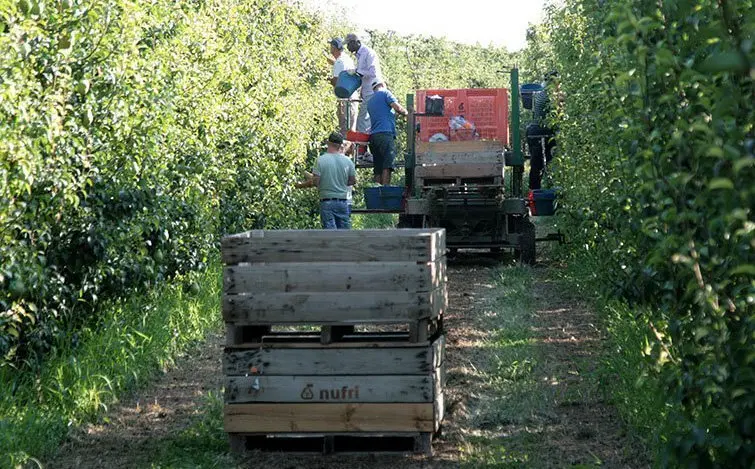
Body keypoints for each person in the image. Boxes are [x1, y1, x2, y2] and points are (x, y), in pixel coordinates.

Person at [296, 132, 356, 229]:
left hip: (327, 201)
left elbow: (315, 182)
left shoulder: (321, 160)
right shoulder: (348, 161)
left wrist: (299, 185)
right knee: (344, 235)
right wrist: (340, 182)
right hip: (343, 202)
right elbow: (352, 181)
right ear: (340, 145)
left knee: (330, 235)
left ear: (328, 143)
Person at [367, 81, 408, 185]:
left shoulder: (370, 101)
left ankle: (376, 192)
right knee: (387, 166)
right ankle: (385, 192)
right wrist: (408, 113)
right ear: (383, 85)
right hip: (385, 135)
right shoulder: (385, 93)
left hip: (373, 137)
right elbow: (398, 108)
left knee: (378, 168)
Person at [526, 71, 559, 190]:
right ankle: (553, 189)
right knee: (552, 161)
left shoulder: (539, 94)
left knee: (535, 164)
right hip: (546, 131)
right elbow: (556, 115)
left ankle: (534, 191)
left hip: (534, 130)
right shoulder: (551, 95)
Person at [345, 33, 383, 133]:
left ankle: (363, 146)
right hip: (366, 91)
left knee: (363, 120)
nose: (347, 47)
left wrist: (357, 71)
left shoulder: (368, 53)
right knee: (365, 120)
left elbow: (373, 72)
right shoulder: (359, 55)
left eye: (348, 44)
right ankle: (364, 145)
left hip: (373, 90)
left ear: (355, 42)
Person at [327, 38, 358, 136]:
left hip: (344, 99)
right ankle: (352, 150)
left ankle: (344, 150)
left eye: (331, 46)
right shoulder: (347, 59)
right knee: (352, 128)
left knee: (344, 128)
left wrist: (326, 78)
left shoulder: (339, 62)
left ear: (334, 47)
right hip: (353, 96)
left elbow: (336, 82)